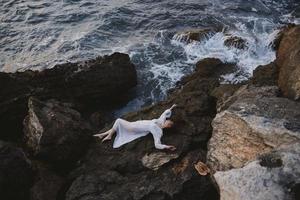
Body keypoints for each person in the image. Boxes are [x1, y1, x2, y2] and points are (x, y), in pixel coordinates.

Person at [93, 104, 177, 151]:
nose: (167, 121)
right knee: (118, 125)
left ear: (168, 126)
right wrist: (172, 107)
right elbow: (165, 113)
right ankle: (104, 134)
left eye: (168, 122)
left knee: (118, 121)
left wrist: (167, 147)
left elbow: (157, 145)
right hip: (135, 124)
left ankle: (109, 135)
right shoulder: (160, 121)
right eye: (168, 120)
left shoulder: (158, 132)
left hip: (133, 127)